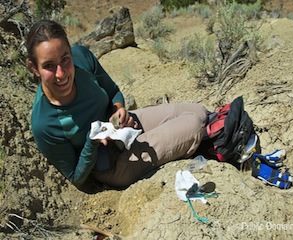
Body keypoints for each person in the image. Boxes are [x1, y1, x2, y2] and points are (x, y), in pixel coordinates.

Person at [26, 19, 209, 193]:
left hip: (125, 128)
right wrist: (92, 142)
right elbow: (76, 176)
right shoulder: (45, 123)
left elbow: (113, 91)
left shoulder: (82, 57)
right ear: (34, 68)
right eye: (49, 66)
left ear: (70, 53)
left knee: (199, 111)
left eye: (65, 59)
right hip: (113, 164)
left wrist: (118, 109)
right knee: (194, 125)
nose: (61, 73)